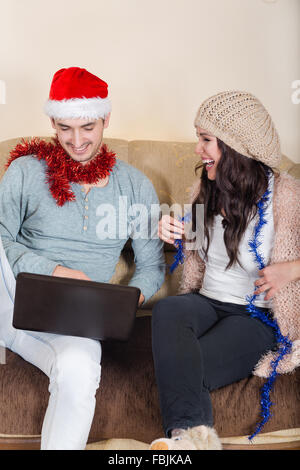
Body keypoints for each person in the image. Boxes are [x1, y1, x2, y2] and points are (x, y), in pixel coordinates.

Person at [0, 67, 165, 450]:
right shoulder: (26, 171)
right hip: (8, 297)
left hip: (74, 321)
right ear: (52, 123)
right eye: (64, 128)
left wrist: (124, 303)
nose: (76, 141)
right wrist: (54, 271)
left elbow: (153, 266)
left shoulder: (135, 185)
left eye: (87, 127)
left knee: (80, 368)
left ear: (106, 118)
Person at [149, 91, 300, 450]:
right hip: (208, 301)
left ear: (236, 146)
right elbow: (197, 236)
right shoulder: (208, 187)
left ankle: (185, 441)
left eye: (206, 139)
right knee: (168, 308)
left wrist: (290, 269)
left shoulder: (287, 197)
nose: (198, 149)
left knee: (187, 363)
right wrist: (173, 230)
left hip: (256, 317)